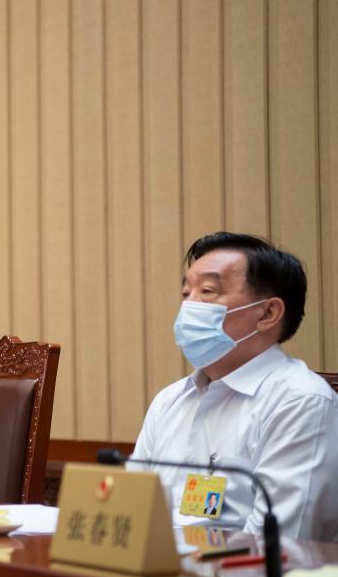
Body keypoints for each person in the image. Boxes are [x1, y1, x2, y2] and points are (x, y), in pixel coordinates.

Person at [132, 232, 338, 541]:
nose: (189, 306)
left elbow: (280, 546)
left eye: (208, 291)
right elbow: (129, 513)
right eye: (187, 293)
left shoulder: (300, 402)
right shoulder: (169, 401)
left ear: (267, 314)